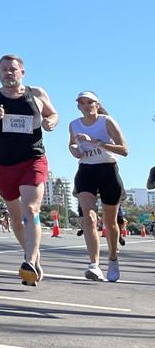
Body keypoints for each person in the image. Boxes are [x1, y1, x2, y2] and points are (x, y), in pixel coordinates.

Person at [0, 54, 59, 286]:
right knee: (17, 219)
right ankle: (33, 258)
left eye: (12, 69)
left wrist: (51, 122)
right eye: (3, 70)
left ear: (22, 72)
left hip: (33, 158)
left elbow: (53, 114)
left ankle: (29, 260)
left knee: (31, 207)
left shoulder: (37, 94)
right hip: (5, 163)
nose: (8, 73)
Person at [69, 90, 128, 281]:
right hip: (86, 171)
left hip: (108, 170)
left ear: (97, 104)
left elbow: (124, 149)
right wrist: (74, 150)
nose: (86, 106)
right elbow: (72, 145)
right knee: (89, 218)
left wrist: (95, 142)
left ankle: (112, 258)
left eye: (90, 102)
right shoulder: (74, 125)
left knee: (110, 223)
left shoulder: (106, 121)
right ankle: (94, 265)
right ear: (78, 106)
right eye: (82, 103)